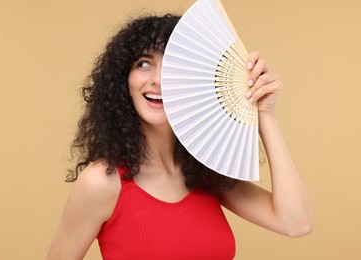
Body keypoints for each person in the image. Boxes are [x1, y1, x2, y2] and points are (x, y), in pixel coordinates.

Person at [46, 14, 314, 260]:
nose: (159, 79)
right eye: (144, 63)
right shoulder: (101, 183)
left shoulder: (205, 170)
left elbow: (296, 222)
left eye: (174, 66)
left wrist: (265, 113)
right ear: (123, 81)